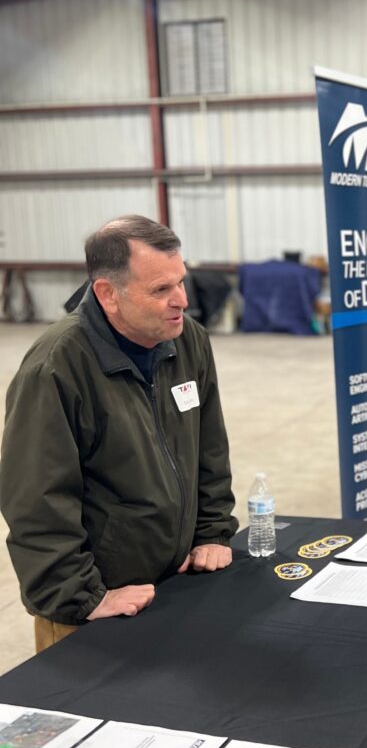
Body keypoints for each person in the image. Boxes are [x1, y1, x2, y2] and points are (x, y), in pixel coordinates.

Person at [0, 215, 237, 653]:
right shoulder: (56, 366)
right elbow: (36, 499)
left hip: (175, 585)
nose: (182, 300)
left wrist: (212, 532)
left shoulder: (189, 342)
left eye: (180, 282)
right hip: (97, 610)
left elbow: (209, 448)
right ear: (108, 294)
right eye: (161, 290)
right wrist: (82, 597)